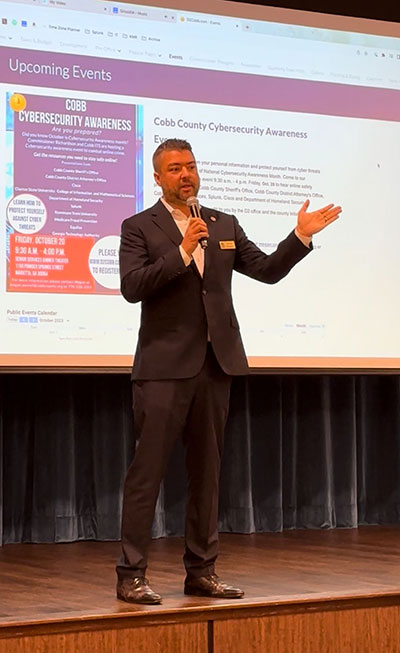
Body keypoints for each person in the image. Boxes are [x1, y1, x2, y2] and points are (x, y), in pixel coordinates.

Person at [116, 138, 341, 604]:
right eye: (175, 168)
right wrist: (180, 251)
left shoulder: (223, 224)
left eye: (191, 167)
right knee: (147, 473)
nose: (186, 175)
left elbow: (267, 270)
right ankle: (131, 575)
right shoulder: (139, 227)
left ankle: (201, 571)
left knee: (208, 473)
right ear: (157, 178)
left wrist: (299, 237)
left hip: (216, 366)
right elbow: (132, 287)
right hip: (163, 369)